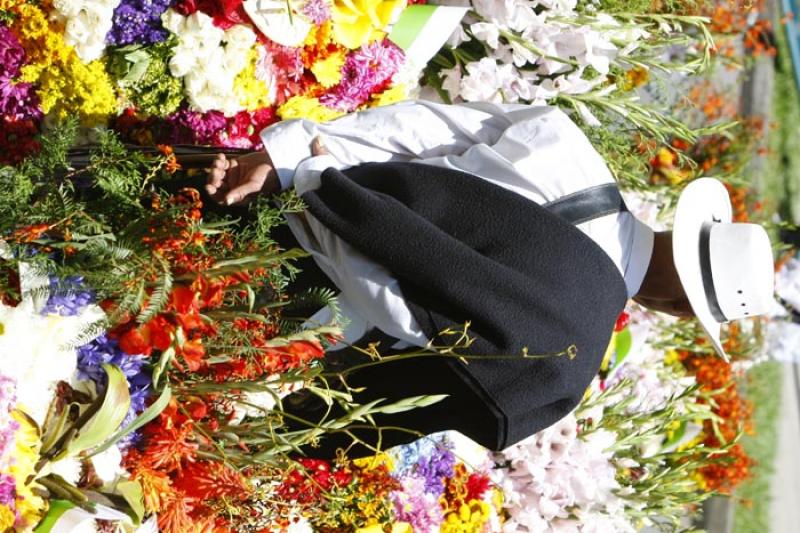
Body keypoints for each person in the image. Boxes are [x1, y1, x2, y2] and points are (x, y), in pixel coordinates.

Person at [205, 100, 775, 456]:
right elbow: (401, 310)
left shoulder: (569, 146)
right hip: (264, 307)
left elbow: (415, 126)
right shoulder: (567, 348)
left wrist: (287, 159)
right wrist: (313, 185)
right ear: (681, 309)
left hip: (259, 187)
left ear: (686, 227)